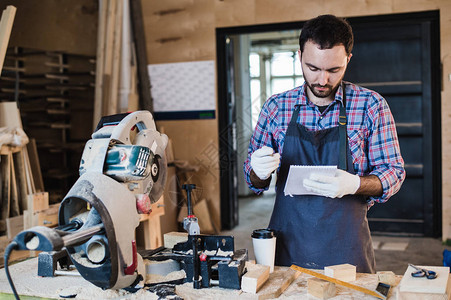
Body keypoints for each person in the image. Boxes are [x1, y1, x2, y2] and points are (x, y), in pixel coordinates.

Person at [243, 14, 405, 273]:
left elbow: (394, 172)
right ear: (299, 57)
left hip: (346, 246)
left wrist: (355, 184)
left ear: (348, 60)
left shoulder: (370, 106)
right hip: (288, 244)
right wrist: (258, 170)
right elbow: (254, 182)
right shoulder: (276, 108)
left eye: (333, 70)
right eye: (313, 68)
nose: (322, 80)